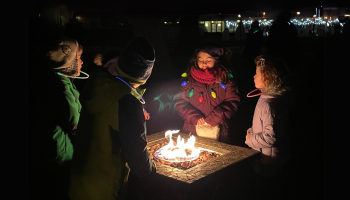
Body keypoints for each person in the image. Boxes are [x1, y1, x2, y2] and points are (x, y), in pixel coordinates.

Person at [68, 37, 156, 200]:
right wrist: (151, 170)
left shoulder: (96, 86)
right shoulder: (127, 102)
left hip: (81, 180)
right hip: (106, 186)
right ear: (145, 75)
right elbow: (137, 155)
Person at [27, 33, 86, 200]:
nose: (82, 62)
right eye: (79, 57)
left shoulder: (55, 81)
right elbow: (74, 121)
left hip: (54, 153)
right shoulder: (62, 88)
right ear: (68, 63)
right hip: (61, 155)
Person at [174, 42, 240, 144]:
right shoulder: (188, 79)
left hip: (218, 130)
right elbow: (180, 102)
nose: (204, 63)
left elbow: (232, 101)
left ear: (217, 60)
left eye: (208, 60)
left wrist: (214, 118)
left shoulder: (225, 79)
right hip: (192, 129)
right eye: (200, 60)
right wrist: (194, 117)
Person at [245, 55, 297, 177]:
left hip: (269, 160)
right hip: (266, 155)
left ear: (267, 79)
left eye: (257, 73)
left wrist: (250, 140)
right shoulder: (267, 97)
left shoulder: (271, 104)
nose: (254, 76)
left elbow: (271, 137)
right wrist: (251, 131)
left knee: (265, 188)